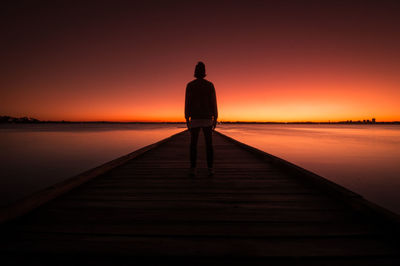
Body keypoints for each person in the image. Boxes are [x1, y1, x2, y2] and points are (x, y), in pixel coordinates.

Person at [185, 61, 218, 176]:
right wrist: (215, 117)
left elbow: (187, 103)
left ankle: (193, 168)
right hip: (207, 118)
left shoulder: (190, 85)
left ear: (195, 72)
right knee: (209, 144)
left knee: (193, 144)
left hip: (195, 118)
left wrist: (186, 118)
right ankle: (210, 168)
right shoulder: (209, 85)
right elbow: (214, 102)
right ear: (204, 72)